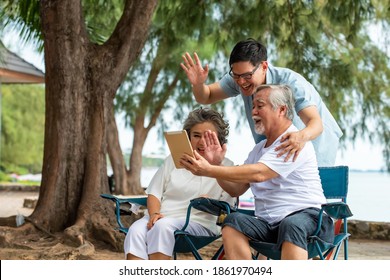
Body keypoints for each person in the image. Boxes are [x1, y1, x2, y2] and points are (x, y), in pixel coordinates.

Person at [180, 85, 334, 260]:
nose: (253, 112)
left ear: (281, 110)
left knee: (292, 224)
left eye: (260, 106)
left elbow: (260, 173)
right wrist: (217, 163)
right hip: (271, 226)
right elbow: (236, 189)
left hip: (311, 220)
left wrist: (208, 170)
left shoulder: (294, 141)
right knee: (232, 221)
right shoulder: (259, 150)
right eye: (253, 106)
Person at [180, 38, 343, 166]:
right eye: (236, 75)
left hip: (313, 143)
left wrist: (300, 137)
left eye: (247, 76)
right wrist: (198, 84)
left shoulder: (291, 83)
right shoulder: (238, 78)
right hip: (274, 150)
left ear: (264, 66)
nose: (241, 82)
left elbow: (316, 124)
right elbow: (206, 97)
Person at [124, 107, 235, 260]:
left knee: (162, 227)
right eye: (196, 135)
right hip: (162, 217)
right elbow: (154, 193)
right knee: (136, 230)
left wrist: (209, 203)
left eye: (209, 136)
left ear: (220, 139)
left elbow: (227, 209)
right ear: (188, 138)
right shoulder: (173, 160)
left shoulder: (227, 167)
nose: (202, 142)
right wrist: (154, 214)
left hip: (199, 223)